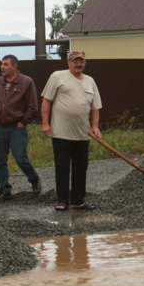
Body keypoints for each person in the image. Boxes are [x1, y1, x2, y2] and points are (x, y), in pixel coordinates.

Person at [40, 51, 102, 212]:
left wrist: (95, 126)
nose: (78, 64)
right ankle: (62, 201)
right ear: (69, 62)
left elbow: (95, 107)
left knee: (80, 169)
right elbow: (46, 100)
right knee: (62, 167)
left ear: (85, 63)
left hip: (83, 134)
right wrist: (45, 123)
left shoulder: (90, 81)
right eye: (75, 61)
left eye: (81, 61)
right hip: (61, 133)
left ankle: (78, 201)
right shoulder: (57, 76)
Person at [0, 55, 42, 203]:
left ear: (15, 66)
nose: (2, 67)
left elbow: (33, 106)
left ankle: (34, 178)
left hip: (17, 127)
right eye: (1, 64)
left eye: (6, 64)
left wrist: (23, 122)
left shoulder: (26, 82)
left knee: (20, 157)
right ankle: (4, 190)